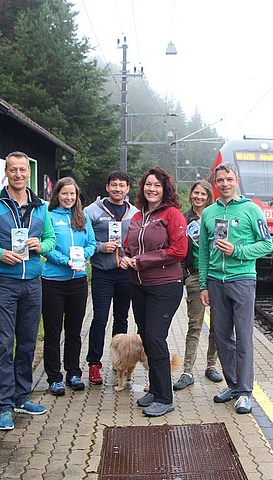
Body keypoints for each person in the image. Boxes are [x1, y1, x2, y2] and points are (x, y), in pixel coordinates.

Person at [0, 151, 56, 431]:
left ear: (29, 172)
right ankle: (4, 405)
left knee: (28, 342)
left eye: (23, 170)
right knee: (4, 344)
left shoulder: (41, 206)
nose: (18, 175)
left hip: (32, 282)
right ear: (6, 172)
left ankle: (21, 397)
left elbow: (51, 239)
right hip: (3, 283)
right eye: (13, 170)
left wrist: (41, 247)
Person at [199, 163, 273, 414]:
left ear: (236, 180)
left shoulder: (252, 210)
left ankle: (245, 392)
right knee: (221, 337)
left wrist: (238, 251)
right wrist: (203, 284)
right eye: (220, 180)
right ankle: (232, 384)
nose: (224, 184)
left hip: (242, 280)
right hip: (215, 283)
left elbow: (266, 245)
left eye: (229, 179)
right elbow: (204, 254)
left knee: (243, 337)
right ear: (215, 183)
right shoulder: (208, 213)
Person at [120, 167, 188, 417]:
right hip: (139, 286)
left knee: (156, 338)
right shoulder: (138, 216)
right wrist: (125, 258)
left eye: (157, 185)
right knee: (146, 337)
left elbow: (179, 251)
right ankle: (155, 389)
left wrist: (142, 261)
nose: (151, 189)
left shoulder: (173, 215)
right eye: (148, 184)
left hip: (165, 286)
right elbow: (128, 247)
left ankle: (164, 397)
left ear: (165, 189)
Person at [41, 177, 96, 396]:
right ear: (57, 195)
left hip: (78, 282)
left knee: (74, 331)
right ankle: (54, 378)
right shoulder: (49, 217)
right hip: (53, 282)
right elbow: (45, 247)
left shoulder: (82, 218)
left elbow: (91, 243)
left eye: (72, 194)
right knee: (53, 332)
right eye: (64, 193)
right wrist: (65, 261)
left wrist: (84, 255)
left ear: (77, 196)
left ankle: (73, 372)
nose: (69, 197)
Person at [84, 171, 139, 385]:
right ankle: (94, 364)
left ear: (128, 189)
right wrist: (100, 247)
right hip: (102, 273)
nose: (118, 189)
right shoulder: (92, 211)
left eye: (122, 185)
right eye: (114, 185)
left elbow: (136, 241)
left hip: (125, 273)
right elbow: (84, 239)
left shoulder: (134, 212)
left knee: (122, 319)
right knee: (99, 319)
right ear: (107, 187)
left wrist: (131, 258)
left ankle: (121, 362)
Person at [173, 180, 223, 391]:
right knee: (195, 324)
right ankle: (187, 371)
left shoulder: (216, 217)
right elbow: (179, 248)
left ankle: (211, 365)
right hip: (194, 276)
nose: (199, 197)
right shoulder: (184, 218)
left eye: (203, 194)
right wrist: (185, 275)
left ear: (209, 196)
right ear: (190, 195)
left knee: (218, 326)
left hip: (218, 276)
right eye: (196, 193)